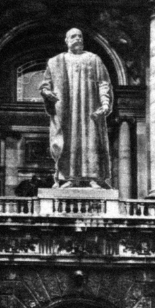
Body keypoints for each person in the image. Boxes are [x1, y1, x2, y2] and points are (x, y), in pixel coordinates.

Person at [40, 28, 113, 189]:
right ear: (66, 40)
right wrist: (47, 93)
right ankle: (68, 177)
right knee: (67, 140)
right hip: (66, 109)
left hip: (89, 108)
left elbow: (103, 83)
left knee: (92, 140)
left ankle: (93, 177)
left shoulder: (94, 59)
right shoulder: (55, 61)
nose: (78, 39)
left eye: (80, 36)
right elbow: (45, 85)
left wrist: (105, 104)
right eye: (73, 36)